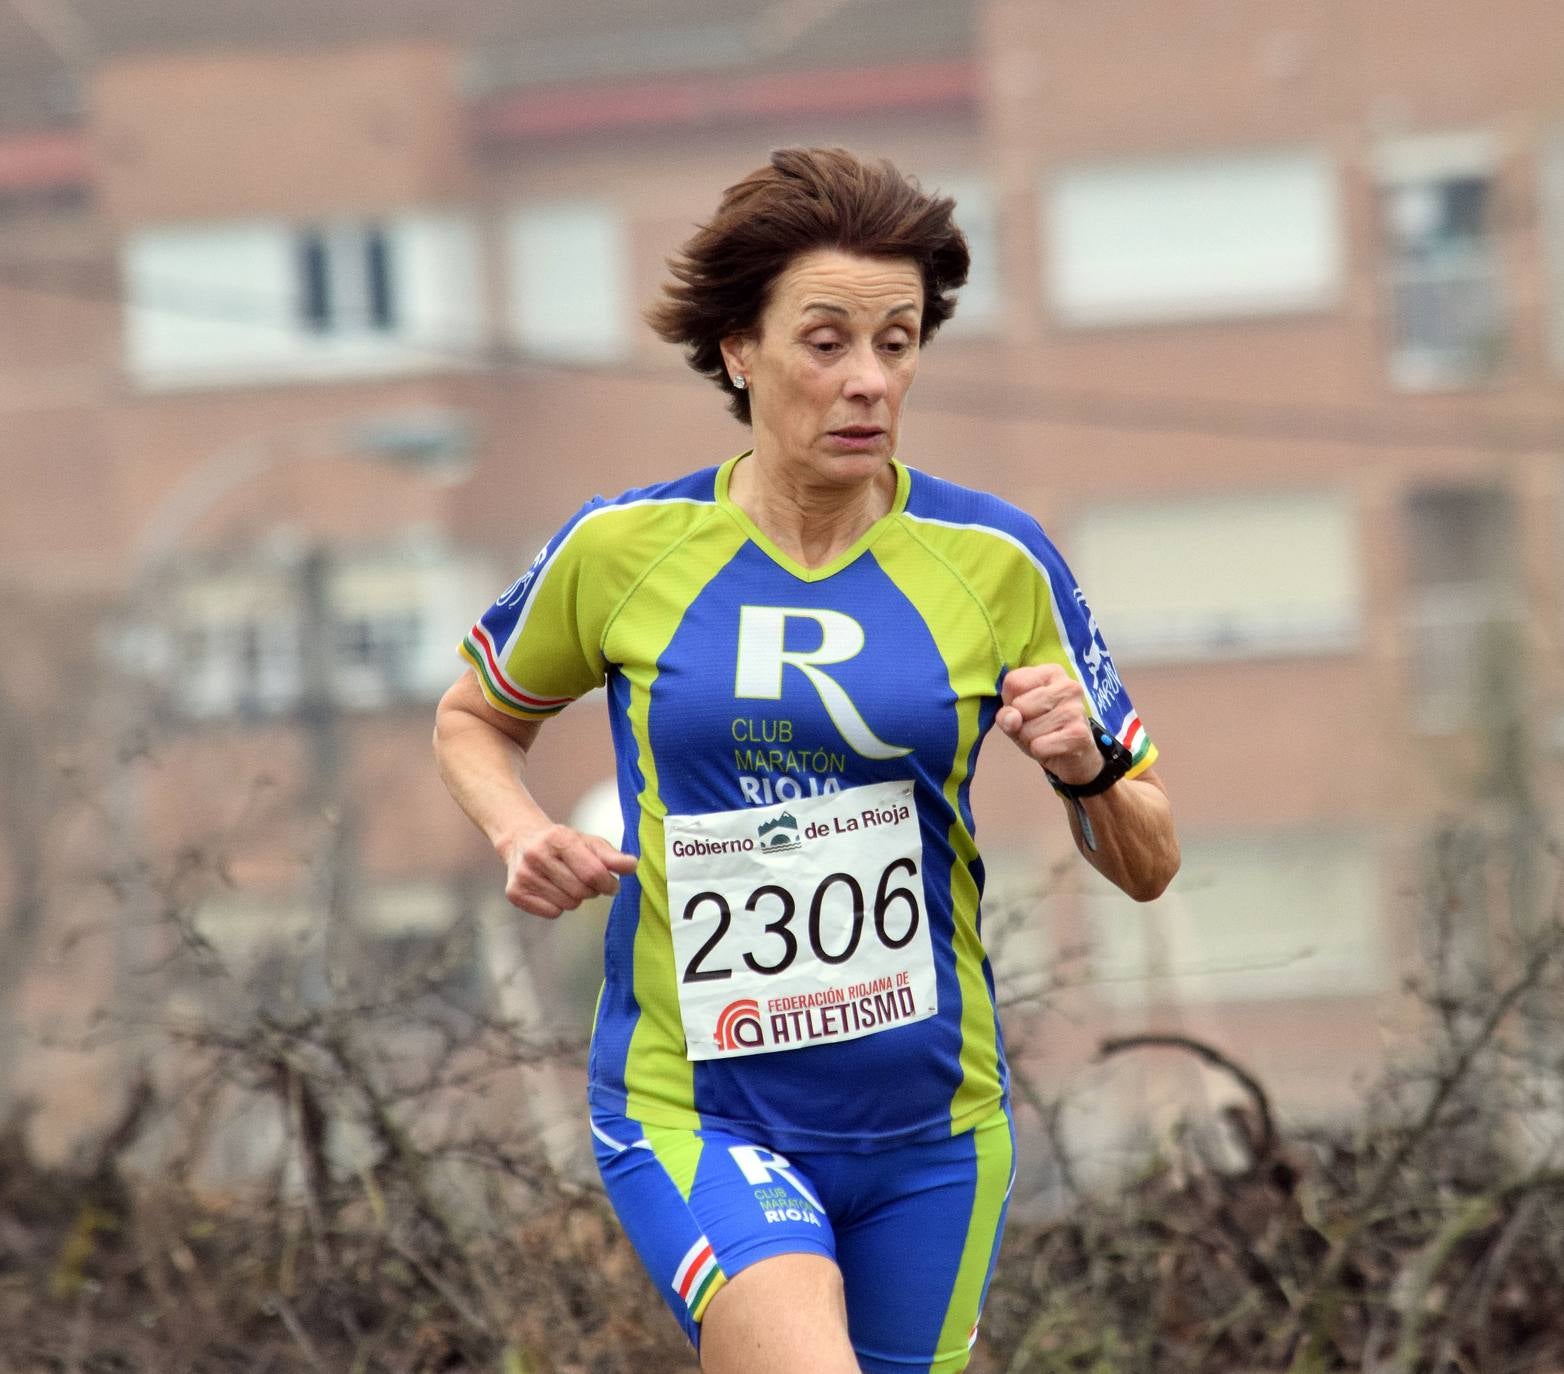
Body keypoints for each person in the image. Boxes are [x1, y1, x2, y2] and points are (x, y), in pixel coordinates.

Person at [433, 146, 1179, 1374]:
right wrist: (520, 831)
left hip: (935, 1133)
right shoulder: (626, 549)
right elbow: (474, 717)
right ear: (740, 349)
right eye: (825, 342)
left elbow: (1149, 862)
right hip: (700, 1112)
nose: (868, 381)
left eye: (897, 342)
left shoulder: (997, 560)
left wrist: (1089, 769)